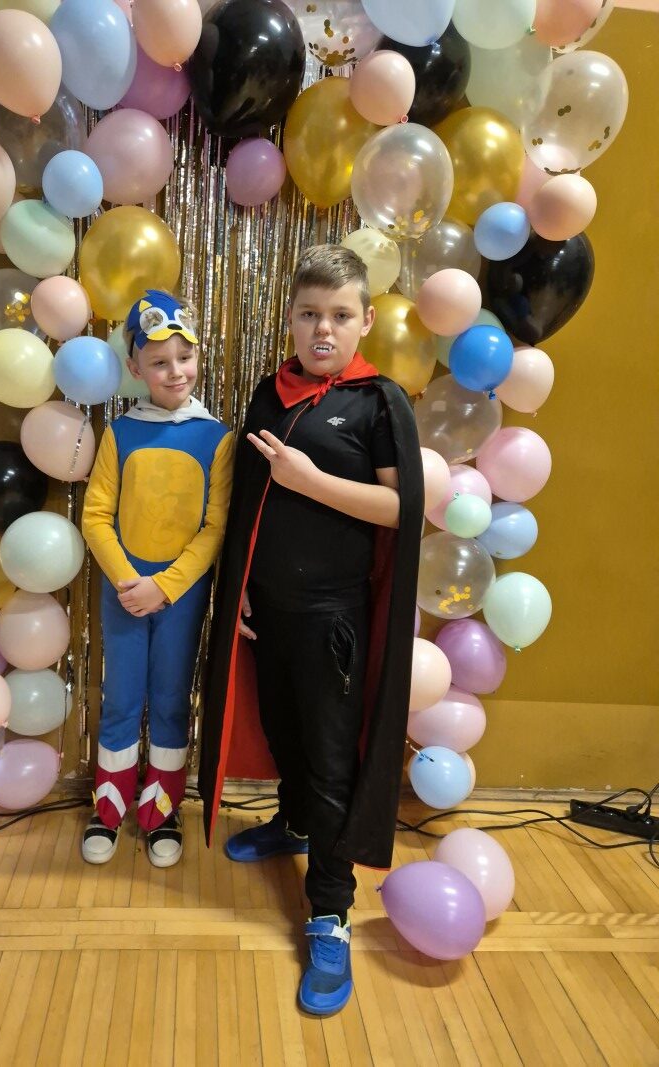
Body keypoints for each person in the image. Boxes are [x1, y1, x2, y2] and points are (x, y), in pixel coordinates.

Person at [197, 245, 424, 1015]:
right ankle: (292, 823)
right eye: (309, 314)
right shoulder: (271, 391)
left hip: (333, 618)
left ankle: (330, 911)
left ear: (365, 319)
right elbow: (252, 502)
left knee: (329, 762)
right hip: (267, 609)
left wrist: (314, 479)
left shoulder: (378, 403)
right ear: (290, 318)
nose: (323, 328)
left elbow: (402, 509)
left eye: (339, 315)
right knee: (282, 729)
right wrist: (242, 588)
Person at [82, 289, 234, 869]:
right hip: (124, 593)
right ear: (135, 367)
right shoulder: (120, 433)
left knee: (171, 699)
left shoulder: (216, 437)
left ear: (198, 357)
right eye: (160, 362)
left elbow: (215, 526)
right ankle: (109, 805)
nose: (175, 372)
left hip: (181, 595)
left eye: (184, 358)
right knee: (121, 697)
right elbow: (96, 515)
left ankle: (162, 810)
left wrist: (166, 586)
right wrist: (129, 582)